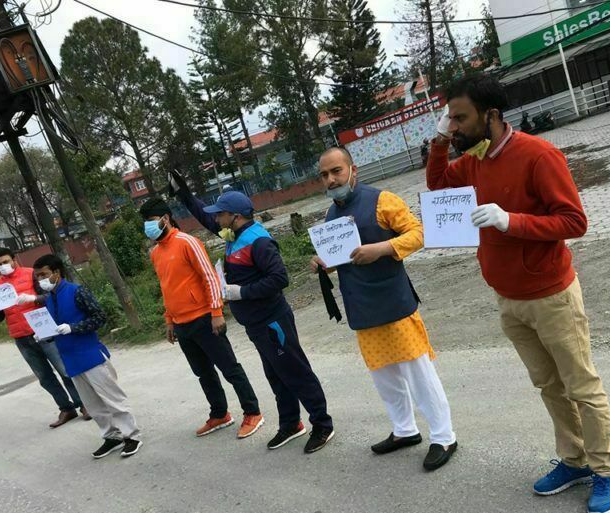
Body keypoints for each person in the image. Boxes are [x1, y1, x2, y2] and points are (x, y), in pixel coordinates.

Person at [426, 74, 610, 513]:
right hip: (508, 298)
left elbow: (574, 221)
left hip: (551, 295)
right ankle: (574, 460)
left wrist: (510, 220)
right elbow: (438, 186)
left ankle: (608, 470)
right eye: (449, 119)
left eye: (460, 118)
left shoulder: (538, 155)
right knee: (549, 386)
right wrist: (439, 141)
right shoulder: (474, 160)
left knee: (581, 385)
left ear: (492, 115)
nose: (454, 127)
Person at [312, 147, 457, 471]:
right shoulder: (330, 216)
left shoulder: (382, 200)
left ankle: (444, 436)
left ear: (353, 170)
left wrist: (383, 248)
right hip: (361, 308)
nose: (331, 179)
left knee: (418, 373)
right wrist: (325, 263)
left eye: (336, 171)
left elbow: (419, 233)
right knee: (384, 375)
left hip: (394, 303)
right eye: (324, 175)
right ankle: (404, 429)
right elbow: (343, 259)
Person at [197, 191, 335, 453]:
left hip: (273, 322)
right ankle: (291, 424)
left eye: (220, 214)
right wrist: (183, 193)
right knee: (276, 375)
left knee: (296, 372)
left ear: (235, 216)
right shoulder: (234, 236)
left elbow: (280, 279)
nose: (216, 219)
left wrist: (242, 292)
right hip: (256, 324)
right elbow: (204, 217)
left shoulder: (258, 241)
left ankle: (322, 424)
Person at [139, 197, 264, 439]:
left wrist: (216, 312)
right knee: (203, 373)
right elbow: (166, 288)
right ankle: (220, 414)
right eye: (145, 222)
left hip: (204, 319)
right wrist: (169, 320)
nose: (148, 226)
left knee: (230, 368)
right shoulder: (156, 253)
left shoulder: (188, 242)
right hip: (181, 324)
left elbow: (209, 278)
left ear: (165, 218)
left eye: (151, 220)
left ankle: (253, 412)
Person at [33, 254, 142, 459]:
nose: (40, 280)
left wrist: (73, 328)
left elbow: (99, 317)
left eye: (44, 274)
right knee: (92, 404)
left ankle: (131, 436)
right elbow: (55, 329)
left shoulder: (76, 291)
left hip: (90, 354)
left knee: (113, 399)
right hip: (70, 359)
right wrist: (45, 335)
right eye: (37, 276)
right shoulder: (48, 300)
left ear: (56, 272)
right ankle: (111, 436)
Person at [0, 248, 87, 428]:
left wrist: (32, 298)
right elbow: (0, 315)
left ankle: (83, 404)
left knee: (64, 369)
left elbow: (50, 295)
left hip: (43, 329)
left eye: (6, 262)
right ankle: (66, 408)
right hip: (21, 337)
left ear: (14, 259)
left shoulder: (32, 273)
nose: (3, 266)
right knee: (44, 377)